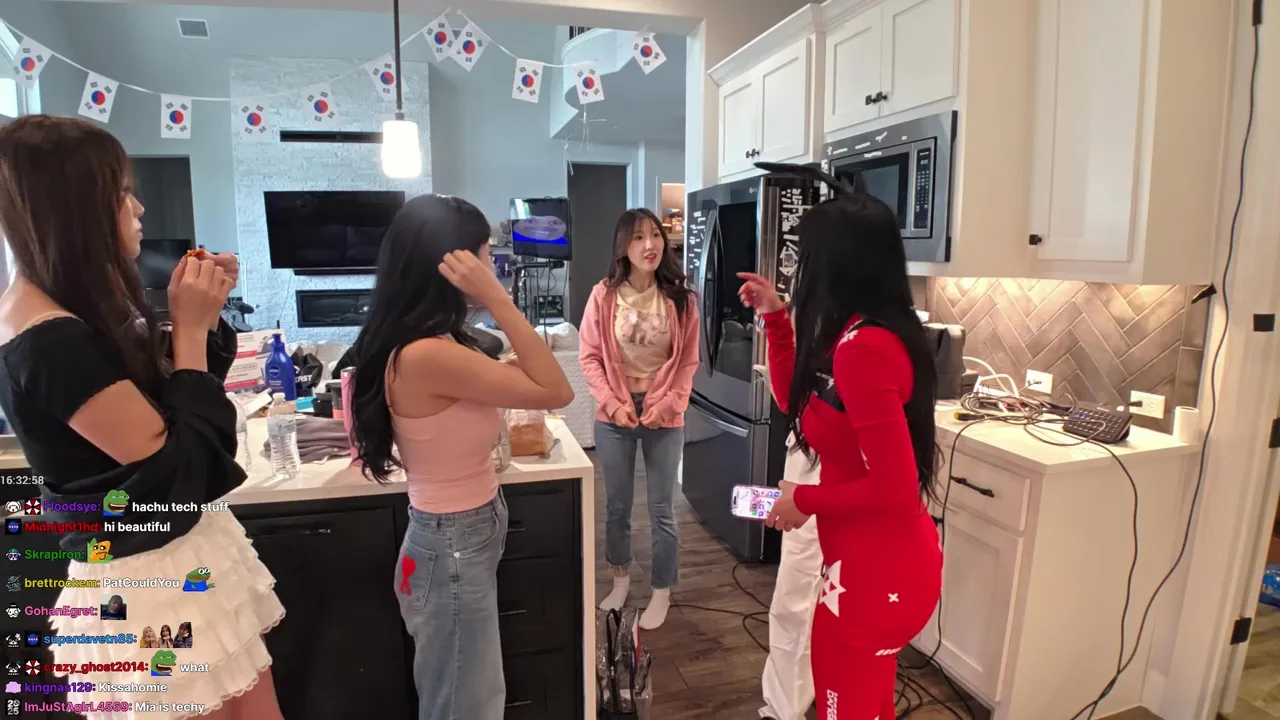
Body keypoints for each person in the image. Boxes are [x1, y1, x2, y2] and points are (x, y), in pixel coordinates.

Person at [0, 115, 286, 720]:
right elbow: (178, 470)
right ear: (74, 206)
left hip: (179, 560)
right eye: (121, 191)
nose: (138, 208)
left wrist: (201, 319)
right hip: (145, 589)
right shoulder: (47, 340)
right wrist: (190, 328)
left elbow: (172, 399)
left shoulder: (67, 310)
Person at [349, 193, 573, 720]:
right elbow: (557, 390)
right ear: (451, 265)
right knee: (465, 704)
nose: (491, 264)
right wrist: (498, 297)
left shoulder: (429, 342)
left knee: (466, 694)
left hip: (453, 536)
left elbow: (531, 378)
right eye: (484, 255)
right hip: (451, 543)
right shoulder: (427, 354)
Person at [737, 173, 942, 719]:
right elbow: (796, 401)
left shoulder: (864, 349)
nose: (800, 271)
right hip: (866, 566)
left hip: (875, 576)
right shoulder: (857, 332)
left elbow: (895, 489)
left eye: (806, 258)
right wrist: (776, 319)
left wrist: (802, 500)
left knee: (843, 708)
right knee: (862, 707)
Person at [580, 208, 699, 630]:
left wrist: (667, 405)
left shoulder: (682, 299)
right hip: (615, 414)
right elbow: (590, 358)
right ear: (623, 246)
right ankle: (620, 579)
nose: (649, 245)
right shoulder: (603, 296)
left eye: (655, 235)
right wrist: (614, 404)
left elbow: (687, 363)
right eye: (637, 237)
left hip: (663, 413)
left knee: (663, 509)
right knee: (617, 506)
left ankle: (662, 589)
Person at [759, 436, 823, 720]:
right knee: (798, 593)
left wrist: (808, 499)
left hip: (827, 461)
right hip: (812, 452)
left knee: (801, 597)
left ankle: (787, 708)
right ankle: (784, 708)